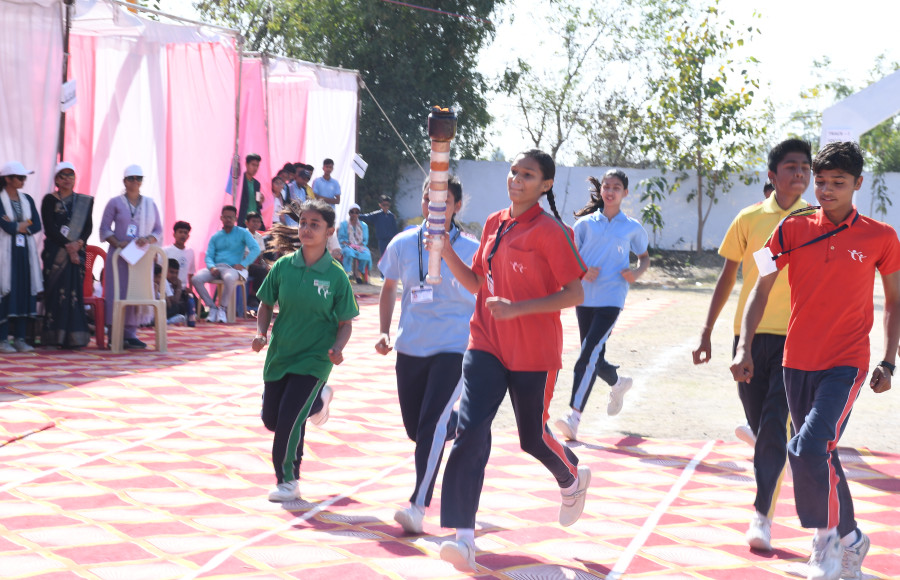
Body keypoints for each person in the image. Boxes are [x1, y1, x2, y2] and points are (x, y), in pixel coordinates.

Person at [730, 141, 900, 580]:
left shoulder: (881, 236)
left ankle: (825, 543)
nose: (825, 190)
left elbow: (895, 301)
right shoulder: (791, 228)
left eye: (837, 183)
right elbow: (760, 287)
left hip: (847, 363)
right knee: (823, 453)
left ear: (858, 183)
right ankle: (852, 539)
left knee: (807, 448)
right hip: (796, 361)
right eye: (821, 182)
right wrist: (744, 345)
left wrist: (888, 361)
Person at [434, 149, 590, 572]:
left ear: (545, 185)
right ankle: (463, 538)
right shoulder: (493, 223)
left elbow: (575, 293)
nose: (517, 179)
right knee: (469, 431)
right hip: (485, 342)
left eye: (528, 175)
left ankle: (570, 477)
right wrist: (445, 251)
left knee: (532, 438)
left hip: (533, 351)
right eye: (514, 171)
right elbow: (476, 284)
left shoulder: (551, 232)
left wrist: (518, 309)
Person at [693, 138, 812, 552]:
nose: (800, 173)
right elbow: (728, 277)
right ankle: (772, 450)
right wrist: (707, 330)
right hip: (749, 338)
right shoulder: (749, 219)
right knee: (765, 427)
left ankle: (762, 515)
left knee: (775, 425)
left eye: (805, 167)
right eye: (791, 166)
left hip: (797, 340)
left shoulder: (817, 221)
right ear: (772, 175)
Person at [375, 176, 477, 534]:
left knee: (430, 425)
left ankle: (417, 506)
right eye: (428, 199)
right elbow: (388, 286)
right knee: (417, 429)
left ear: (457, 206)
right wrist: (384, 331)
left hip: (454, 348)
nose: (435, 207)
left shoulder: (472, 248)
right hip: (410, 347)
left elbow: (482, 290)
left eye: (444, 201)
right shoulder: (402, 243)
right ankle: (460, 421)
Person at [251, 199, 359, 502]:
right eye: (303, 223)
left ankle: (288, 481)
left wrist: (337, 348)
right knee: (273, 420)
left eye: (315, 224)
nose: (307, 229)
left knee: (289, 419)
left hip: (315, 358)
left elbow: (345, 323)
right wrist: (260, 333)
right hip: (281, 354)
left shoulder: (336, 275)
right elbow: (265, 304)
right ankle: (320, 400)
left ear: (329, 231)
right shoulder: (283, 266)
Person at [554, 170, 650, 441]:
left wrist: (636, 273)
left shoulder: (631, 227)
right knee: (593, 356)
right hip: (584, 298)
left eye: (616, 187)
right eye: (606, 186)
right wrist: (583, 271)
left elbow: (644, 257)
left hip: (612, 298)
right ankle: (618, 384)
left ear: (625, 193)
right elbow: (570, 257)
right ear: (601, 191)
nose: (610, 191)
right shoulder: (585, 225)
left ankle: (574, 417)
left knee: (586, 356)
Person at [99, 164, 163, 350]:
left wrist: (147, 239)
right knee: (117, 292)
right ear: (124, 181)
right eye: (131, 178)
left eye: (138, 178)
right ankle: (115, 334)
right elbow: (104, 229)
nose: (135, 181)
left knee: (137, 291)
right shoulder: (115, 203)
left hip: (140, 256)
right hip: (119, 256)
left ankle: (131, 334)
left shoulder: (150, 204)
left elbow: (158, 230)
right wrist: (118, 243)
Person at [40, 161, 94, 349]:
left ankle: (74, 338)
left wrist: (79, 243)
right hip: (55, 252)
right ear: (56, 179)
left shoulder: (84, 201)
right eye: (62, 176)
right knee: (56, 293)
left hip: (77, 252)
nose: (67, 179)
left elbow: (88, 227)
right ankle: (54, 337)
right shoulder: (49, 200)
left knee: (73, 294)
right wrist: (67, 245)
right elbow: (49, 228)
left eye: (71, 175)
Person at [0, 161, 43, 353]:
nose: (23, 181)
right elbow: (6, 226)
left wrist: (16, 225)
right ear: (8, 179)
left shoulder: (27, 199)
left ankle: (20, 338)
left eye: (24, 177)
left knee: (24, 290)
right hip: (5, 252)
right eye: (19, 177)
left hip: (24, 252)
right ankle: (2, 339)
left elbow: (36, 224)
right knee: (6, 291)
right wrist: (22, 224)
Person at [191, 205, 260, 324]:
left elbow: (256, 249)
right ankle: (212, 307)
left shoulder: (243, 233)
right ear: (221, 218)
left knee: (229, 277)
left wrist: (243, 264)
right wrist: (212, 267)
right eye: (226, 217)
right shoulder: (216, 236)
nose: (228, 219)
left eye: (231, 217)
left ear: (235, 218)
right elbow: (209, 256)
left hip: (232, 268)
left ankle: (222, 308)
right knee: (196, 279)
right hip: (216, 267)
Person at [337, 203, 372, 283]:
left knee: (366, 254)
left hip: (359, 246)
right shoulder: (343, 224)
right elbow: (341, 238)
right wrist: (349, 244)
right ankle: (348, 273)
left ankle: (359, 272)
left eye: (356, 212)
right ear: (349, 213)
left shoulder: (364, 225)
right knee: (349, 252)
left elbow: (365, 240)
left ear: (359, 214)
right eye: (352, 212)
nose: (354, 214)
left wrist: (359, 246)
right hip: (347, 245)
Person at [244, 211, 269, 312]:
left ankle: (264, 300)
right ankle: (252, 296)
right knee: (261, 271)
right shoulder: (243, 235)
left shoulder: (259, 236)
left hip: (254, 265)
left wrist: (265, 264)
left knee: (269, 270)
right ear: (247, 222)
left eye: (258, 222)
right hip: (243, 264)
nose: (256, 224)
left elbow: (260, 255)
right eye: (253, 221)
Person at [361, 195, 399, 260]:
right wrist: (356, 215)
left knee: (392, 258)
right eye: (384, 205)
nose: (386, 207)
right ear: (380, 205)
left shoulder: (391, 216)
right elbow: (366, 217)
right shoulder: (377, 215)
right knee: (384, 257)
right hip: (382, 241)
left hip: (391, 240)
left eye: (387, 205)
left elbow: (395, 230)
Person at [164, 221, 196, 289]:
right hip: (167, 289)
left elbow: (191, 273)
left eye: (185, 233)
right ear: (174, 234)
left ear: (188, 236)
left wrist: (190, 289)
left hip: (183, 289)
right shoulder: (165, 251)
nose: (183, 235)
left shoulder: (190, 252)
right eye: (180, 232)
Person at [237, 153, 263, 228]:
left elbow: (257, 203)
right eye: (253, 165)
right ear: (246, 164)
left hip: (254, 222)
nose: (255, 168)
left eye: (257, 166)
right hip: (242, 220)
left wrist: (260, 202)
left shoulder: (257, 184)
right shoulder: (240, 180)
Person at [164, 258, 189, 324]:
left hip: (169, 306)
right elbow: (175, 301)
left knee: (187, 297)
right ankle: (168, 320)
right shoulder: (164, 281)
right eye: (171, 272)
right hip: (164, 308)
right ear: (164, 270)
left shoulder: (172, 282)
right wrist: (179, 287)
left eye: (176, 273)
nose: (174, 275)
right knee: (176, 307)